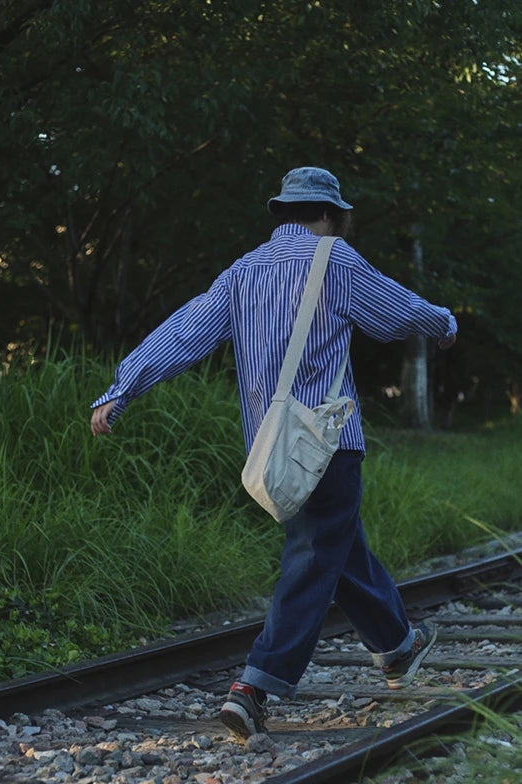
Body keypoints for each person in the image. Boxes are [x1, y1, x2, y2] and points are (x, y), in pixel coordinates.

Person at [90, 166, 457, 740]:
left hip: (269, 449)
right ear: (331, 215)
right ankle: (255, 686)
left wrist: (123, 387)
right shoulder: (336, 260)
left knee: (337, 547)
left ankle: (398, 648)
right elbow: (398, 313)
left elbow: (185, 331)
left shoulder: (244, 271)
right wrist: (444, 323)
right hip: (328, 446)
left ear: (281, 212)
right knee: (315, 557)